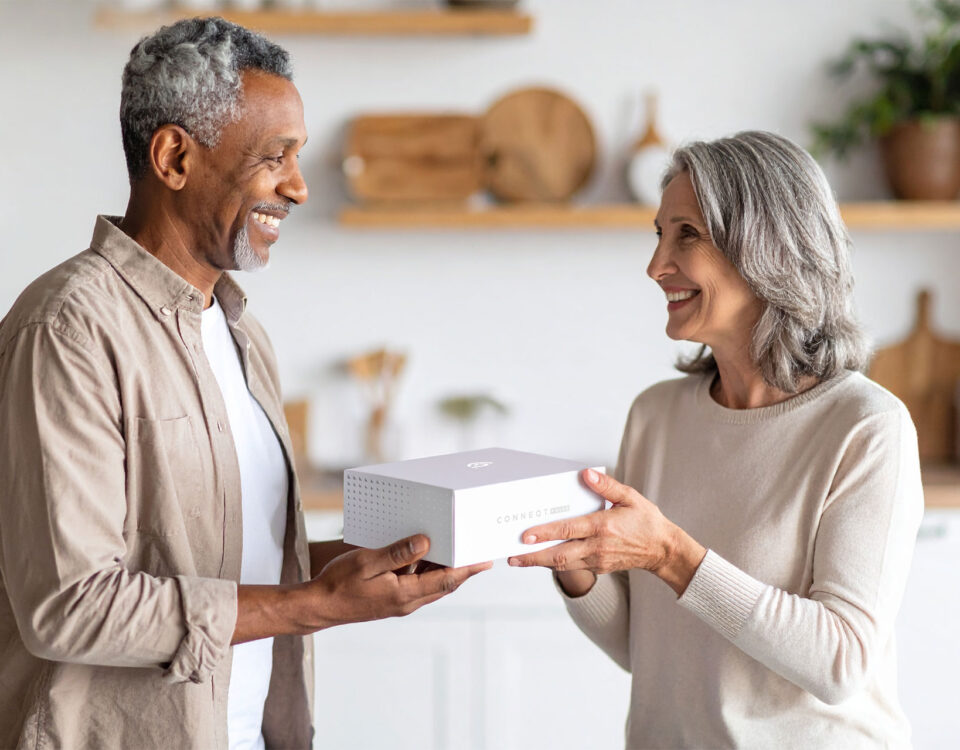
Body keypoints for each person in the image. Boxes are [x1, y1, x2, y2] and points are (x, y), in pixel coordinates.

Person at [0, 18, 489, 750]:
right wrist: (314, 603)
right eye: (275, 157)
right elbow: (70, 605)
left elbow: (236, 559)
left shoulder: (239, 332)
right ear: (174, 157)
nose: (296, 186)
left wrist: (372, 567)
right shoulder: (67, 329)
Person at [509, 131, 923, 748]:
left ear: (769, 250)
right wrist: (580, 571)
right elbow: (646, 651)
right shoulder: (656, 416)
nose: (656, 267)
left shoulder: (864, 426)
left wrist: (670, 554)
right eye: (658, 234)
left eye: (687, 235)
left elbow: (841, 662)